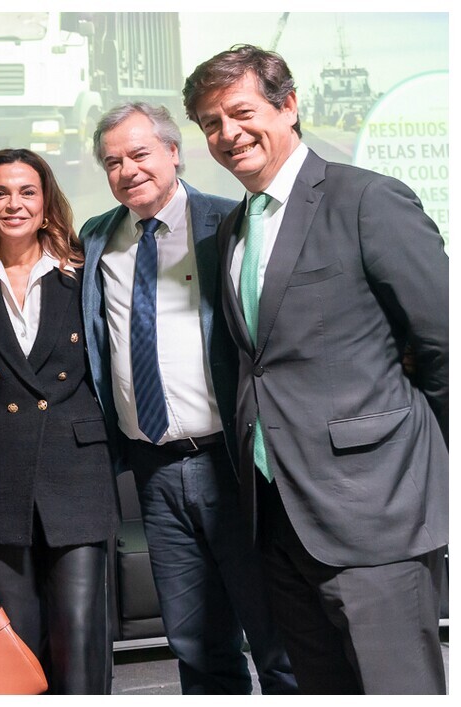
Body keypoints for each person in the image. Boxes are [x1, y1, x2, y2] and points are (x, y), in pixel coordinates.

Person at [184, 45, 448, 694]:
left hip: (375, 511)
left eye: (241, 112)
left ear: (290, 105)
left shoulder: (367, 199)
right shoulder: (232, 229)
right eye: (211, 124)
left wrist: (420, 468)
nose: (227, 134)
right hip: (277, 518)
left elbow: (445, 342)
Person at [79, 103, 296, 694]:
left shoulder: (230, 222)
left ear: (174, 152)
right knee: (195, 642)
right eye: (113, 162)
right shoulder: (97, 239)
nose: (128, 170)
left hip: (234, 464)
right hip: (153, 470)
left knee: (276, 636)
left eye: (140, 154)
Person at [0, 149, 116, 694]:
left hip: (77, 470)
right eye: (0, 193)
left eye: (27, 191)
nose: (14, 204)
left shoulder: (85, 270)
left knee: (79, 629)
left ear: (46, 203)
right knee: (17, 639)